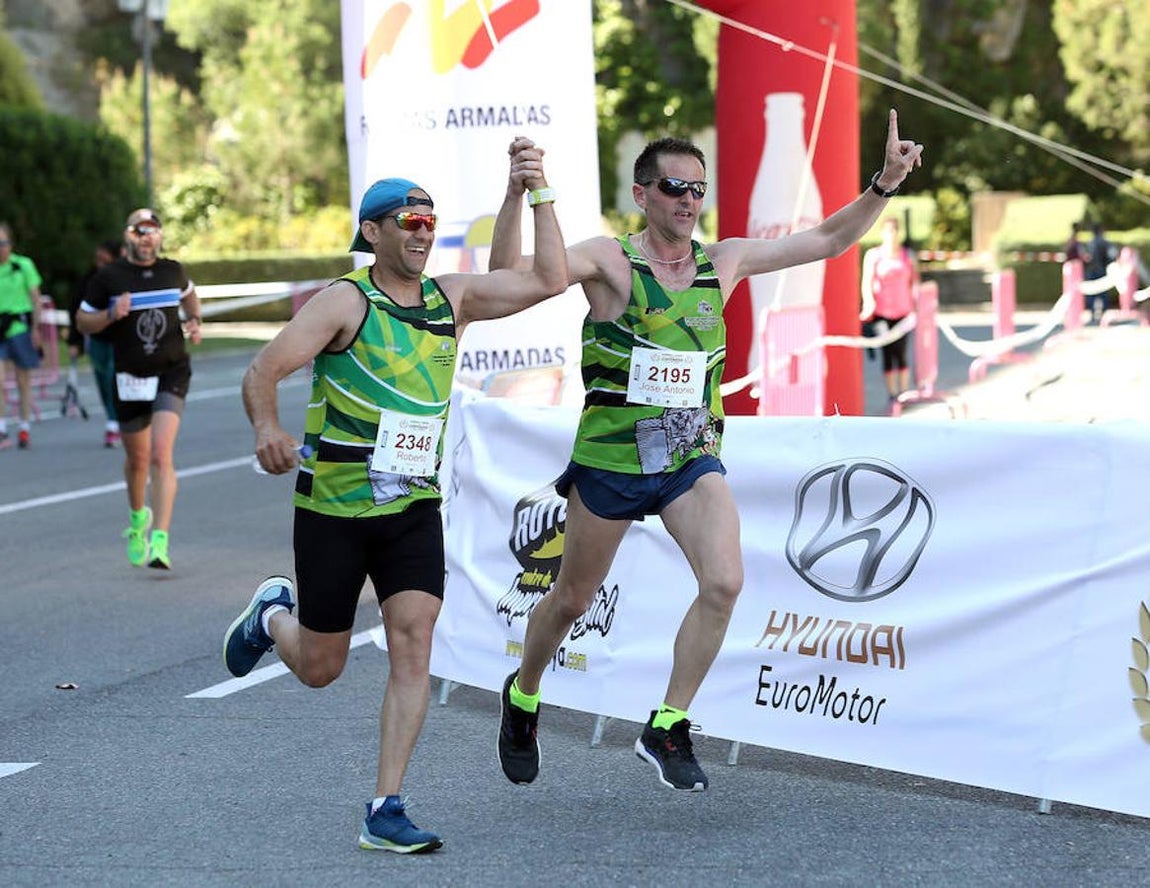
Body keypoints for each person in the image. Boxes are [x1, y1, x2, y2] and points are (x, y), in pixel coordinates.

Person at [489, 109, 922, 792]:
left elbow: (831, 239)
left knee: (724, 580)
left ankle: (667, 723)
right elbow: (513, 278)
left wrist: (884, 184)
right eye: (673, 188)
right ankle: (524, 693)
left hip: (690, 458)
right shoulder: (609, 260)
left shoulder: (726, 261)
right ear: (642, 195)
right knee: (571, 599)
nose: (689, 201)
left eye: (698, 189)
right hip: (612, 460)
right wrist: (518, 196)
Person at [221, 139, 568, 854]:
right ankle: (274, 615)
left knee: (414, 643)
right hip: (335, 511)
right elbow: (263, 370)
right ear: (372, 234)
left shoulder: (452, 300)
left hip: (411, 507)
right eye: (406, 221)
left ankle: (386, 806)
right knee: (322, 668)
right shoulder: (344, 303)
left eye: (429, 221)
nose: (421, 230)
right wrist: (267, 429)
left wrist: (530, 193)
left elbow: (545, 278)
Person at [76, 209, 202, 569]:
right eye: (139, 230)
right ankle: (137, 521)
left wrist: (194, 321)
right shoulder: (108, 277)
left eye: (153, 230)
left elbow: (190, 297)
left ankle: (159, 541)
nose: (146, 236)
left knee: (161, 454)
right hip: (129, 375)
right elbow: (83, 321)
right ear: (127, 235)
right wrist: (111, 314)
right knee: (138, 460)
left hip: (171, 371)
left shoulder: (172, 270)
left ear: (159, 237)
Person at [68, 240, 123, 447]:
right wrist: (75, 340)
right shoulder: (90, 279)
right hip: (98, 338)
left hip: (119, 339)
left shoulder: (123, 277)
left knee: (112, 377)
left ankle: (115, 422)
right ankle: (112, 420)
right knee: (102, 379)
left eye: (104, 259)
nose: (100, 263)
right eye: (97, 259)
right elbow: (77, 310)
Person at [860, 215, 919, 403]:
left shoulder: (907, 256)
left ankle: (903, 393)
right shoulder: (873, 256)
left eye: (895, 230)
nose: (892, 234)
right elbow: (866, 282)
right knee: (887, 352)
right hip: (881, 312)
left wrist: (916, 307)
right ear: (883, 233)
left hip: (904, 311)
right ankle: (892, 394)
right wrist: (868, 303)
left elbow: (914, 282)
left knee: (901, 352)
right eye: (888, 230)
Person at [0, 222, 44, 450]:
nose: (0, 249)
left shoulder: (22, 265)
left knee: (22, 380)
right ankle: (1, 427)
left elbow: (35, 298)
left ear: (10, 244)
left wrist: (36, 328)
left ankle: (24, 426)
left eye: (3, 243)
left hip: (19, 328)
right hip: (0, 328)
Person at [1084, 222, 1118, 323]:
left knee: (1091, 294)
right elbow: (1113, 255)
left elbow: (1086, 258)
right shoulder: (1105, 243)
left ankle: (1093, 315)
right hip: (1102, 270)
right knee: (1103, 294)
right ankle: (1104, 316)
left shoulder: (1090, 243)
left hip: (1092, 271)